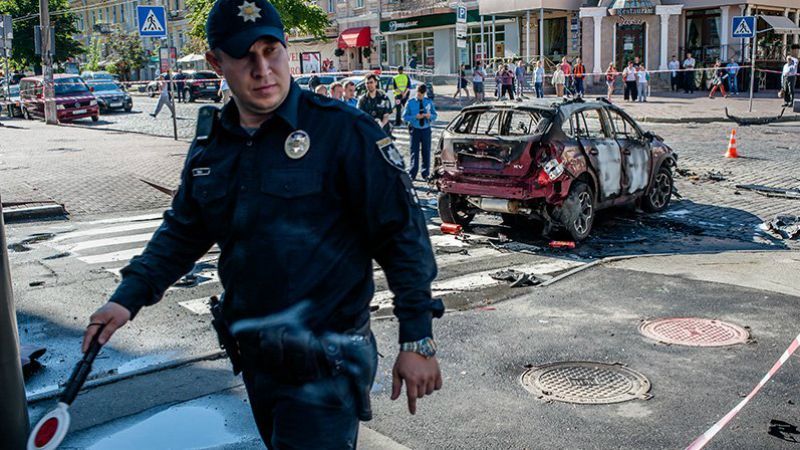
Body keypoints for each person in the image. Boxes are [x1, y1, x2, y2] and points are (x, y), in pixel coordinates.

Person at [83, 0, 443, 448]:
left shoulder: (343, 132)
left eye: (271, 50)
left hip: (326, 368)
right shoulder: (212, 145)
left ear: (286, 49)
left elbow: (402, 237)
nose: (262, 68)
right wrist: (126, 299)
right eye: (244, 55)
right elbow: (183, 231)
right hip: (256, 363)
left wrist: (417, 338)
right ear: (217, 62)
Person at [403, 83, 437, 180]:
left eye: (422, 94)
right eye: (418, 94)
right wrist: (415, 117)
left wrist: (430, 116)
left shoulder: (428, 102)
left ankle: (425, 173)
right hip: (415, 129)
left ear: (424, 93)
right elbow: (404, 117)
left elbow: (435, 115)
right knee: (414, 151)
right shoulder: (410, 102)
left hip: (426, 129)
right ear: (416, 92)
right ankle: (412, 173)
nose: (420, 96)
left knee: (426, 151)